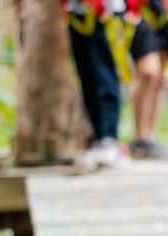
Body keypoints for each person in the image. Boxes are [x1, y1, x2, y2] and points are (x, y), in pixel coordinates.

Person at [62, 0, 128, 165]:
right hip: (77, 12)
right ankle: (100, 139)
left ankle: (109, 138)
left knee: (105, 76)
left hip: (104, 12)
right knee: (87, 80)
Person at [125, 0, 168, 158]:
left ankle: (149, 137)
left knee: (160, 78)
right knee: (148, 72)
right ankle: (140, 138)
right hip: (138, 9)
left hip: (165, 9)